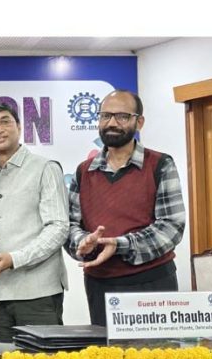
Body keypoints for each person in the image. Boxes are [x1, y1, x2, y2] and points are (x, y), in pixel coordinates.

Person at [65, 90, 186, 326]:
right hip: (100, 284)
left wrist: (119, 244)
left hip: (152, 283)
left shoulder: (160, 164)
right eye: (105, 116)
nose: (111, 123)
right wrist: (84, 242)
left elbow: (172, 226)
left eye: (121, 116)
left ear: (138, 122)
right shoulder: (84, 170)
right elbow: (71, 225)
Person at [0, 102, 69, 342]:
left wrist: (14, 259)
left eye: (5, 121)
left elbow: (58, 228)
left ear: (19, 127)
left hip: (37, 295)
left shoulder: (44, 168)